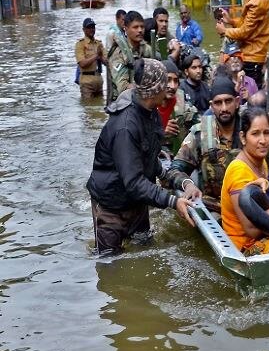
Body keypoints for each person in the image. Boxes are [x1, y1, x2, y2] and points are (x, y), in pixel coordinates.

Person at [87, 58, 194, 255]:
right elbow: (134, 182)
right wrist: (172, 201)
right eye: (165, 83)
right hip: (111, 207)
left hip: (137, 203)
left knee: (145, 251)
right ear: (154, 89)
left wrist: (180, 181)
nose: (170, 88)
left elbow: (149, 156)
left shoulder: (149, 110)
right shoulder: (126, 127)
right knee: (110, 266)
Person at [220, 107, 269, 255]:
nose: (263, 140)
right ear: (243, 137)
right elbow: (252, 230)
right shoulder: (239, 171)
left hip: (266, 234)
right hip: (243, 247)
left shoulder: (261, 161)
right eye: (255, 134)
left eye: (266, 133)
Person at [168, 76, 242, 211]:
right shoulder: (200, 133)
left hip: (248, 205)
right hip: (216, 209)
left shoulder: (252, 127)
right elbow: (174, 170)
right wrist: (188, 184)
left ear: (237, 102)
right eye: (218, 103)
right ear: (211, 106)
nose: (224, 108)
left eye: (228, 101)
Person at [216, 0, 269, 89]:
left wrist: (225, 31)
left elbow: (246, 32)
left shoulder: (258, 0)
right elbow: (245, 24)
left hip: (253, 56)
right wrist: (230, 21)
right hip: (247, 53)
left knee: (250, 92)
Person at [108, 10, 153, 102]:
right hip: (123, 104)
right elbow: (123, 87)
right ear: (126, 28)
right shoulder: (119, 53)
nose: (140, 30)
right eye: (135, 27)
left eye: (142, 27)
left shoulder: (147, 49)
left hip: (144, 101)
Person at [158, 60, 200, 157]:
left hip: (178, 159)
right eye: (168, 80)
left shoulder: (184, 108)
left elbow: (202, 127)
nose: (172, 86)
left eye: (176, 81)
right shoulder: (148, 107)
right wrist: (160, 131)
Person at [75, 17, 106, 99]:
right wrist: (96, 55)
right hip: (86, 82)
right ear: (84, 29)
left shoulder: (99, 43)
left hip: (99, 80)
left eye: (93, 27)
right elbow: (82, 63)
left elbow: (106, 62)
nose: (92, 29)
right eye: (89, 27)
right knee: (89, 108)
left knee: (99, 108)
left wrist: (102, 56)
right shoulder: (80, 44)